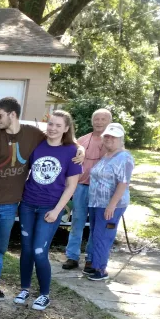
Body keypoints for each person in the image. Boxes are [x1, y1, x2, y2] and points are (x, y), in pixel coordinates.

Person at [0, 97, 84, 299]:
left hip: (11, 205)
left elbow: (63, 142)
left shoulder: (33, 135)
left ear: (12, 115)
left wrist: (81, 149)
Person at [14, 110, 82, 311]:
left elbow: (71, 186)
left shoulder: (72, 152)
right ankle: (24, 288)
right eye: (51, 124)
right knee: (26, 250)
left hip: (50, 208)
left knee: (39, 251)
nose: (53, 129)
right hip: (28, 204)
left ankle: (44, 294)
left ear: (66, 129)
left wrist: (57, 211)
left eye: (58, 126)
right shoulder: (37, 145)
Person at [63, 108, 112, 274]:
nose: (99, 122)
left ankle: (91, 259)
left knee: (96, 225)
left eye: (103, 119)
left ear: (109, 122)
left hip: (102, 190)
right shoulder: (82, 140)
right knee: (77, 221)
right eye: (96, 119)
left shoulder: (112, 142)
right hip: (81, 187)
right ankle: (72, 256)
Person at [86, 123, 134, 282]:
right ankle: (94, 264)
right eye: (107, 136)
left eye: (113, 136)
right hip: (96, 203)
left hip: (110, 205)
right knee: (95, 234)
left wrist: (112, 205)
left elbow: (123, 183)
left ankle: (100, 268)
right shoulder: (106, 156)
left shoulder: (124, 157)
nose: (109, 139)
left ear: (121, 139)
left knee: (103, 235)